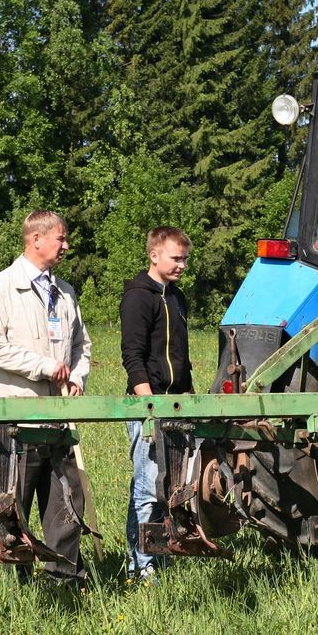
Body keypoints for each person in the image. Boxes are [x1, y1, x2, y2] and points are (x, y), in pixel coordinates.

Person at [0, 209, 92, 585]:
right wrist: (41, 366)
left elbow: (81, 345)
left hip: (57, 420)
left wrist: (76, 375)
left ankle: (64, 580)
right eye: (61, 238)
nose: (66, 245)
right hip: (16, 422)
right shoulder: (2, 287)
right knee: (13, 510)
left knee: (66, 504)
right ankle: (18, 586)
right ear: (36, 239)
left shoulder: (65, 292)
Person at [118, 226, 194, 578]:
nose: (181, 265)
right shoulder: (138, 297)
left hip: (177, 405)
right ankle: (140, 565)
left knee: (171, 487)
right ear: (154, 256)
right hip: (148, 405)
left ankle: (162, 556)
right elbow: (132, 355)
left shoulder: (177, 299)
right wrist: (147, 404)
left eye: (185, 259)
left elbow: (182, 356)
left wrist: (188, 397)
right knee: (147, 487)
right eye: (175, 258)